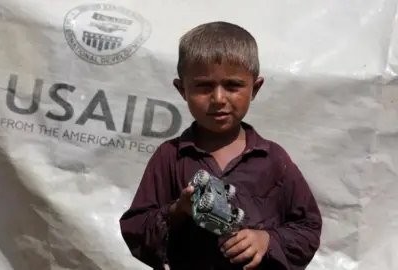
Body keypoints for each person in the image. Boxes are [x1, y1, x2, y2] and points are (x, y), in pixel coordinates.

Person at [119, 21, 322, 270]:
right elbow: (135, 229)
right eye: (203, 86)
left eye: (232, 86)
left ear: (255, 88)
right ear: (182, 89)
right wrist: (178, 211)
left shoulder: (273, 160)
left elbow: (308, 228)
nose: (218, 99)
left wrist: (267, 240)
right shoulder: (170, 157)